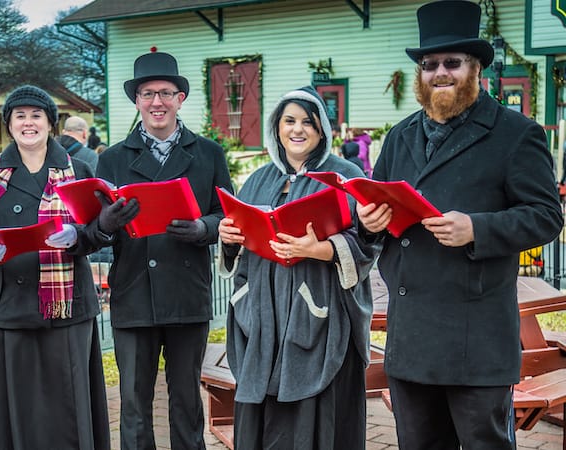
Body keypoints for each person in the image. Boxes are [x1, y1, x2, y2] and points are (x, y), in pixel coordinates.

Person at [355, 2, 563, 449]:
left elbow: (547, 215)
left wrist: (478, 229)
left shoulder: (515, 133)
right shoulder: (400, 136)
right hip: (411, 335)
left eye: (453, 63)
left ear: (475, 69)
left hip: (478, 337)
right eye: (430, 65)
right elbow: (376, 204)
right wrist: (368, 222)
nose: (440, 73)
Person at [88, 50, 234, 449]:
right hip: (133, 292)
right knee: (134, 401)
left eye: (166, 93)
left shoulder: (208, 154)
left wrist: (204, 226)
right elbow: (95, 230)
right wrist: (106, 223)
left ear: (180, 98)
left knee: (187, 397)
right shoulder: (113, 159)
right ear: (136, 100)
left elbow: (229, 214)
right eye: (148, 93)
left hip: (187, 291)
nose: (157, 102)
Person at [218, 87, 377, 450]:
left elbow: (370, 243)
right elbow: (242, 237)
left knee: (316, 422)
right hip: (262, 318)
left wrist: (320, 250)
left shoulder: (344, 175)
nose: (298, 129)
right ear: (277, 128)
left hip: (318, 317)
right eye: (289, 121)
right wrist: (228, 237)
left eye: (308, 122)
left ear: (322, 130)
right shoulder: (259, 179)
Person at [0, 85, 110, 450]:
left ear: (50, 123)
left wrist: (77, 236)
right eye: (20, 116)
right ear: (9, 125)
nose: (29, 123)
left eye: (36, 115)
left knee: (66, 406)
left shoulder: (80, 170)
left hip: (66, 306)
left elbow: (99, 232)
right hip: (8, 305)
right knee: (4, 406)